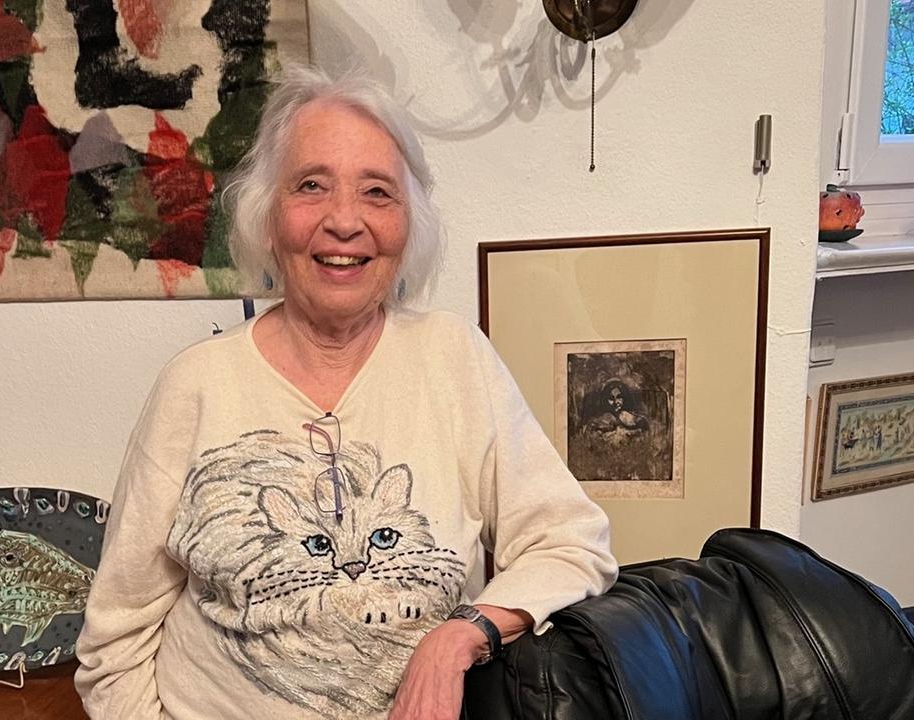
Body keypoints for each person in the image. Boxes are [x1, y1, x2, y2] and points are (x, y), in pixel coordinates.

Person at [73, 65, 617, 720]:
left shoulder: (455, 359)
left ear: (408, 225)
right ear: (267, 217)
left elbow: (570, 541)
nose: (344, 221)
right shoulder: (195, 384)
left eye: (377, 192)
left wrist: (459, 635)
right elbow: (116, 640)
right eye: (311, 186)